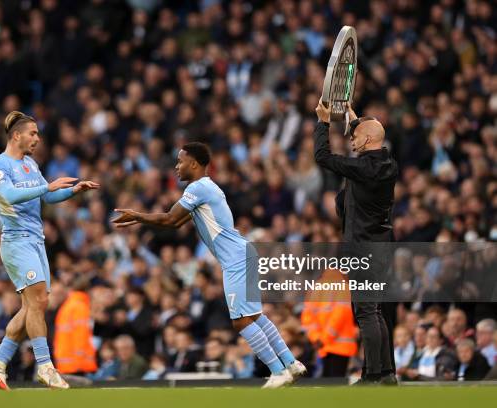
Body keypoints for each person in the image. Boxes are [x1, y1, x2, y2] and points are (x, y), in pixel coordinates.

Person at [112, 142, 307, 388]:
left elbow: (170, 217)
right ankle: (290, 363)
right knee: (255, 316)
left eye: (180, 161)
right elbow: (174, 224)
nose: (176, 166)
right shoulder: (207, 187)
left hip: (236, 258)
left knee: (241, 321)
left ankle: (278, 371)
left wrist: (138, 215)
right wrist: (142, 219)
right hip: (242, 253)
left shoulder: (199, 187)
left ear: (194, 163)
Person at [0, 111, 100, 390]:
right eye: (33, 133)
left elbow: (47, 196)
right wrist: (46, 186)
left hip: (36, 241)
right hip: (16, 240)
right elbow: (8, 195)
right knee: (39, 303)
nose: (37, 138)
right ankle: (45, 367)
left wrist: (73, 191)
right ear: (16, 135)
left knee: (32, 306)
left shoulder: (30, 164)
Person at [314, 101, 398, 385]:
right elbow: (366, 135)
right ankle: (386, 372)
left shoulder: (363, 168)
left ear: (368, 139)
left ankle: (373, 374)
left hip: (362, 247)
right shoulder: (387, 163)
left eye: (355, 135)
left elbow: (323, 157)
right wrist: (352, 118)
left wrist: (323, 123)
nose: (351, 138)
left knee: (365, 312)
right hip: (381, 246)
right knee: (375, 311)